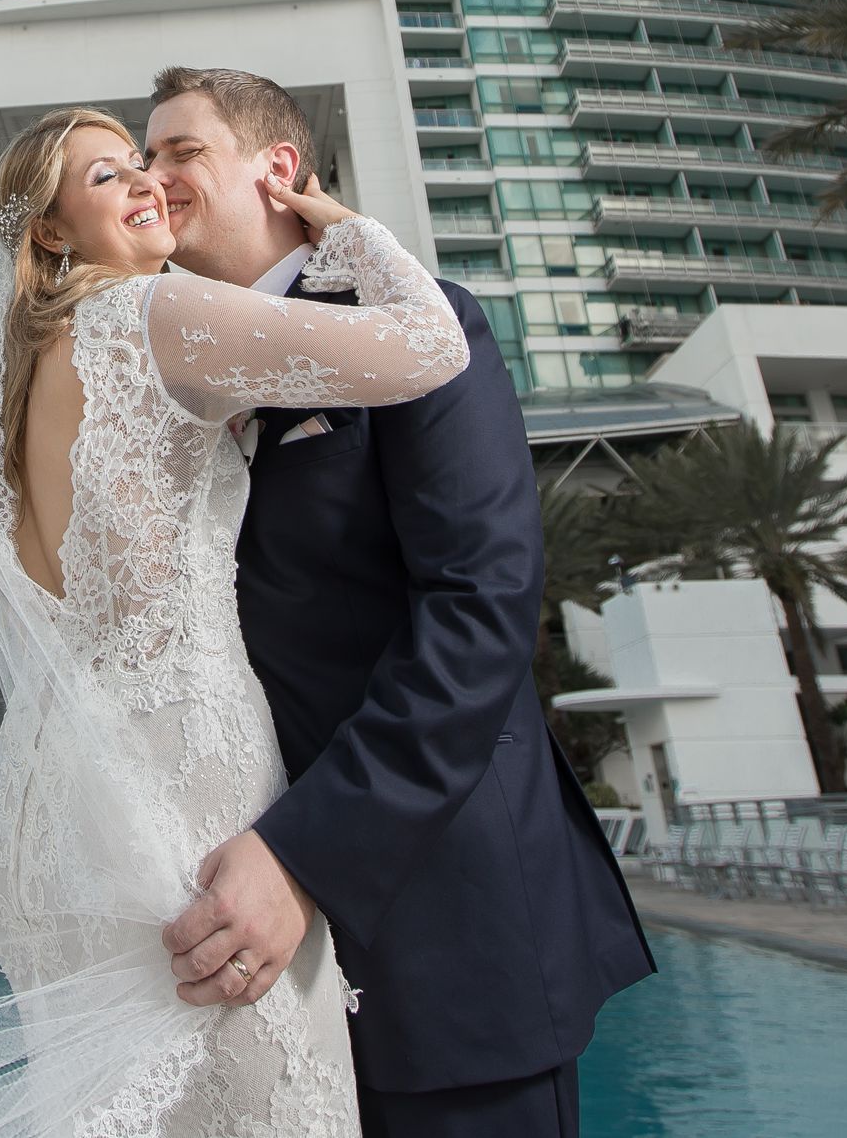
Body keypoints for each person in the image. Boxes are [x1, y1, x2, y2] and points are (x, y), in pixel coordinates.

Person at [141, 67, 654, 1138]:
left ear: (278, 169)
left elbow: (481, 606)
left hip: (446, 931)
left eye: (180, 151)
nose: (155, 178)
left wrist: (305, 853)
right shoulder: (168, 389)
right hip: (241, 959)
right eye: (144, 160)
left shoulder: (417, 325)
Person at [0, 105, 470, 1136]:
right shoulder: (150, 318)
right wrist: (333, 221)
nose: (148, 181)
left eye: (146, 161)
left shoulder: (6, 392)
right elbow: (430, 346)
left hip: (42, 805)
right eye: (110, 177)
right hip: (179, 769)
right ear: (52, 233)